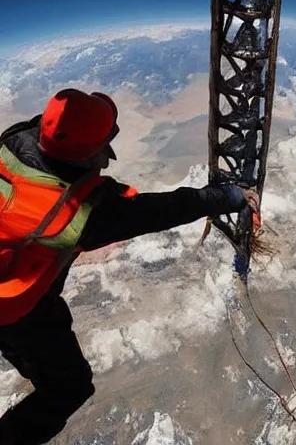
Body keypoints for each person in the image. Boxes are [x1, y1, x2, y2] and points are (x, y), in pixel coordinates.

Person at [0, 88, 260, 444]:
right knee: (69, 387)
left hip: (10, 279)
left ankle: (29, 364)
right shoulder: (79, 214)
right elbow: (166, 209)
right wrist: (230, 197)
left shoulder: (13, 142)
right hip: (15, 305)